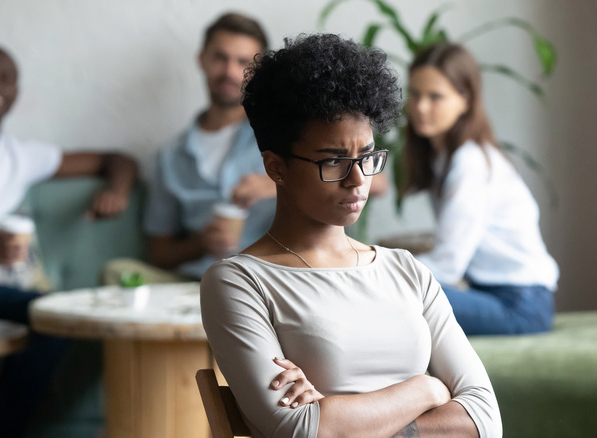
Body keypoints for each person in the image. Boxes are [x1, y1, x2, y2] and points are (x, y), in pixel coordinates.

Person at [201, 34, 501, 438]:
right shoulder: (240, 283)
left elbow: (485, 419)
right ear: (276, 167)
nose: (358, 179)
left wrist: (337, 416)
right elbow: (301, 429)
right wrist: (427, 388)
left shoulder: (406, 271)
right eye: (333, 161)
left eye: (368, 156)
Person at [0, 46, 138, 436]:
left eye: (5, 77)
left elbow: (117, 159)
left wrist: (116, 188)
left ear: (16, 93)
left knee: (52, 312)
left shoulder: (21, 156)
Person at [403, 42, 559, 336]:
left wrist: (380, 271)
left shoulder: (470, 163)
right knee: (396, 297)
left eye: (435, 97)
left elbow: (448, 266)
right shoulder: (442, 159)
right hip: (492, 294)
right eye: (415, 94)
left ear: (465, 99)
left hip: (521, 305)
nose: (421, 107)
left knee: (397, 298)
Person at [134, 12, 276, 282]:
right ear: (202, 59)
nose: (229, 72)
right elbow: (158, 253)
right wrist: (200, 243)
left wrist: (277, 183)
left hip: (268, 282)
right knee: (119, 272)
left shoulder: (282, 135)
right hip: (197, 285)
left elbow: (366, 180)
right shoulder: (171, 156)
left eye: (243, 62)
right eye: (220, 58)